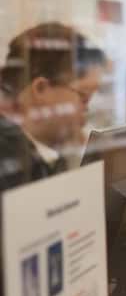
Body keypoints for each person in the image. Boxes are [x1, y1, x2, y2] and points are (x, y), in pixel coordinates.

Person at [0, 23, 107, 190]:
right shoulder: (12, 170)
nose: (86, 111)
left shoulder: (36, 154)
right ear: (41, 89)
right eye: (84, 97)